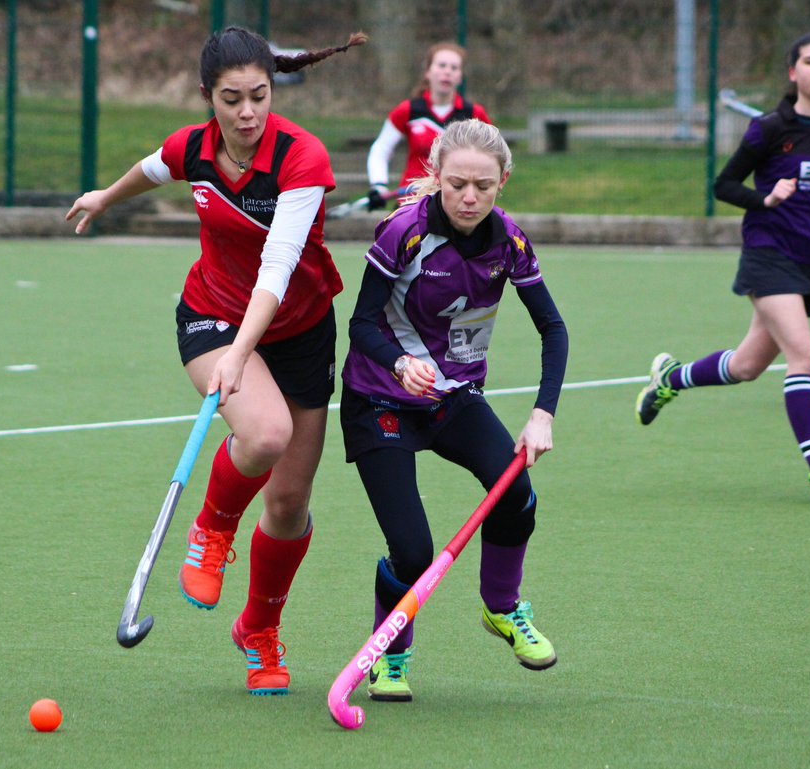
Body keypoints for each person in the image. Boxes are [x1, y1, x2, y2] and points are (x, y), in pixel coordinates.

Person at [66, 26, 366, 696]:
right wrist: (103, 198)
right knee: (263, 434)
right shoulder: (194, 148)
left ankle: (258, 629)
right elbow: (154, 167)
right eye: (231, 99)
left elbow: (280, 266)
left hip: (299, 326)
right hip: (210, 315)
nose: (247, 113)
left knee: (289, 501)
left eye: (259, 96)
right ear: (209, 98)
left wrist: (247, 347)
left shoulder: (302, 159)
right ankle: (211, 528)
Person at [340, 118, 568, 702]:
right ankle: (391, 657)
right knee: (414, 552)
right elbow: (361, 323)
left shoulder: (510, 241)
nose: (470, 197)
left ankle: (502, 608)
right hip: (379, 399)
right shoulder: (404, 234)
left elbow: (553, 329)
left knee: (515, 492)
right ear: (436, 175)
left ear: (502, 183)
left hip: (453, 398)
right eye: (458, 183)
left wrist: (542, 413)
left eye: (483, 186)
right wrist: (398, 365)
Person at [636, 31, 810, 502]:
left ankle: (671, 379)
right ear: (793, 72)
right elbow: (723, 184)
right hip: (768, 254)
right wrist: (765, 197)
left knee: (747, 365)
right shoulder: (770, 129)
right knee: (804, 355)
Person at [364, 42, 491, 211]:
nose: (447, 71)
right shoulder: (408, 110)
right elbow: (381, 148)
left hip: (456, 205)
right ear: (428, 72)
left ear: (460, 76)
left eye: (454, 67)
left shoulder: (474, 114)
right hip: (411, 201)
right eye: (441, 65)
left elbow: (492, 156)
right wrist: (378, 185)